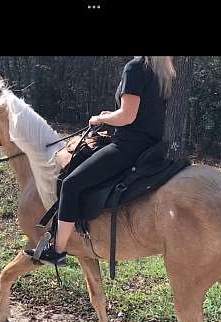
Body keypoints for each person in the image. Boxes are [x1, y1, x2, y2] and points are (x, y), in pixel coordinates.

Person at [29, 56, 176, 266]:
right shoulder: (162, 72)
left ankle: (58, 250)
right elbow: (140, 114)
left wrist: (100, 119)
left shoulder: (134, 68)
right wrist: (112, 115)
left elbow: (127, 117)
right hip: (151, 148)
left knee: (70, 184)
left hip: (127, 147)